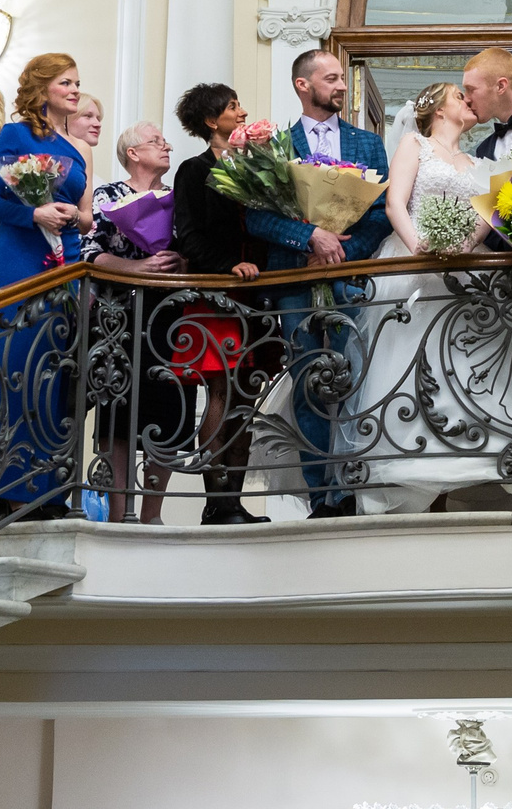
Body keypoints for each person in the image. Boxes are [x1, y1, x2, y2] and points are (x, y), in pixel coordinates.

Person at [355, 81, 512, 514]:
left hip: (471, 278)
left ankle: (494, 468)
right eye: (458, 95)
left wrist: (464, 247)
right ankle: (417, 474)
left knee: (483, 371)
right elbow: (395, 204)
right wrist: (419, 247)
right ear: (435, 108)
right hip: (415, 267)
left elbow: (487, 221)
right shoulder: (415, 144)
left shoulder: (481, 161)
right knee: (417, 369)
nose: (468, 101)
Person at [241, 49, 392, 518]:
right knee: (309, 381)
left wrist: (343, 250)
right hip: (296, 277)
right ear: (303, 85)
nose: (343, 86)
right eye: (331, 79)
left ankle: (350, 486)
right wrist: (310, 237)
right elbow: (256, 215)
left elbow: (381, 213)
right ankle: (319, 494)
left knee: (353, 379)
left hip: (348, 280)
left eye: (343, 78)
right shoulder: (275, 147)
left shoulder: (368, 143)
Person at [0, 52, 94, 512]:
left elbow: (85, 214)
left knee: (54, 377)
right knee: (13, 369)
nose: (74, 90)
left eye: (77, 83)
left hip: (64, 262)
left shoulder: (79, 146)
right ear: (42, 88)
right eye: (66, 82)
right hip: (21, 259)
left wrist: (78, 218)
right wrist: (34, 212)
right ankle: (9, 493)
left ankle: (49, 489)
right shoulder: (14, 133)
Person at [171, 83, 268, 525]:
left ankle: (237, 499)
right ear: (212, 121)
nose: (242, 111)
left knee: (248, 396)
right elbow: (188, 236)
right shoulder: (193, 170)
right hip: (217, 293)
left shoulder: (258, 164)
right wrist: (231, 266)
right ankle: (217, 499)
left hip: (258, 293)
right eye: (233, 107)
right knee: (221, 390)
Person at [87, 120, 186, 524]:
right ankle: (117, 514)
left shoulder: (178, 197)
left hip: (169, 315)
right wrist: (139, 265)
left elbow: (189, 248)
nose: (167, 147)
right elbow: (90, 253)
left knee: (167, 412)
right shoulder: (109, 194)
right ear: (132, 153)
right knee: (118, 414)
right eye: (156, 142)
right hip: (119, 317)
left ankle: (151, 515)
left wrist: (181, 261)